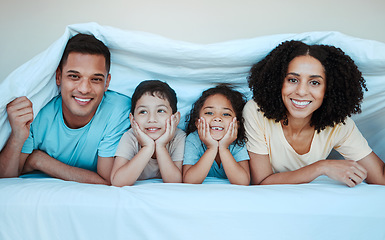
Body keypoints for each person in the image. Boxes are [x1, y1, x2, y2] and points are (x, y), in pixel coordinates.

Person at [244, 40, 385, 187]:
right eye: (293, 80)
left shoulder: (339, 125)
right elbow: (261, 181)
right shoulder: (256, 112)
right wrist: (322, 167)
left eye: (315, 82)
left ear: (328, 90)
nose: (301, 91)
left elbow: (380, 176)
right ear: (279, 82)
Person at [0, 34, 131, 185]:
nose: (84, 89)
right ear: (58, 77)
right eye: (74, 76)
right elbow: (6, 180)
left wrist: (40, 161)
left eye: (95, 79)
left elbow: (108, 181)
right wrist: (17, 137)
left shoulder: (118, 110)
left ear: (107, 83)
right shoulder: (36, 112)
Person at [110, 80, 185, 186]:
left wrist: (161, 146)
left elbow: (175, 182)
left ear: (176, 118)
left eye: (160, 111)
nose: (152, 119)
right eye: (143, 112)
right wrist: (147, 147)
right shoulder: (130, 137)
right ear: (132, 120)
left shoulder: (178, 137)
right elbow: (117, 182)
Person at [182, 85, 250, 185]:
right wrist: (211, 148)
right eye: (209, 113)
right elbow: (189, 181)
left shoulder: (237, 141)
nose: (217, 118)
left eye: (226, 114)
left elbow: (243, 182)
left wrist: (224, 148)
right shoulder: (193, 139)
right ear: (197, 122)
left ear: (237, 124)